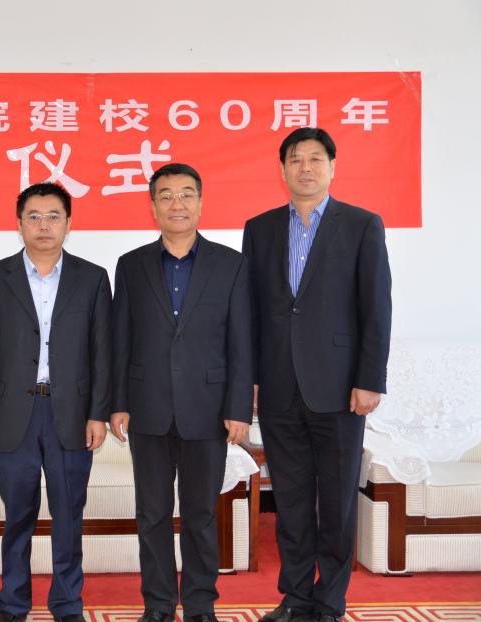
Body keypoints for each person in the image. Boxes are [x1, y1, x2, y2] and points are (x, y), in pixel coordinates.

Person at [243, 127, 392, 622]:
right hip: (279, 386)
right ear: (283, 169)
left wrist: (370, 378)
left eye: (314, 159)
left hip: (341, 387)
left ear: (332, 167)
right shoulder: (260, 228)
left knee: (336, 502)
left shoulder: (362, 225)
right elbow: (253, 311)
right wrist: (252, 379)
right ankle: (295, 597)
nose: (304, 168)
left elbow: (376, 307)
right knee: (290, 500)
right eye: (295, 159)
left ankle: (329, 601)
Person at [110, 163, 253, 622]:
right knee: (151, 515)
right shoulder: (131, 265)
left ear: (200, 202)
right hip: (147, 408)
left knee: (201, 515)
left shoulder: (231, 264)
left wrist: (238, 408)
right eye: (166, 195)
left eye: (186, 194)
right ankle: (157, 604)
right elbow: (120, 339)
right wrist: (118, 403)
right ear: (153, 206)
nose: (177, 204)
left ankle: (199, 605)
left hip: (208, 410)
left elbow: (241, 342)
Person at [0, 182, 112, 622]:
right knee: (18, 514)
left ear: (68, 223)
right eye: (33, 217)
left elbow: (102, 352)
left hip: (70, 413)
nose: (43, 225)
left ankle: (67, 604)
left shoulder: (92, 278)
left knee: (69, 515)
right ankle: (12, 603)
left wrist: (98, 413)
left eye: (53, 216)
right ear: (19, 224)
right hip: (12, 414)